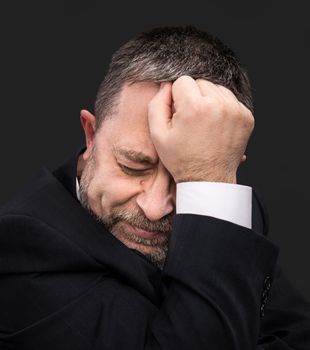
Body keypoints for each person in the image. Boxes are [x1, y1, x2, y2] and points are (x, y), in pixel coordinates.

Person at [0, 25, 309, 350]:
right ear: (91, 135)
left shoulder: (226, 209)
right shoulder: (20, 252)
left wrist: (208, 179)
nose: (155, 206)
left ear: (224, 164)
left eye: (186, 180)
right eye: (134, 166)